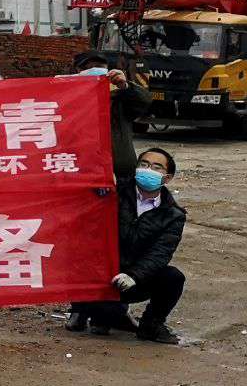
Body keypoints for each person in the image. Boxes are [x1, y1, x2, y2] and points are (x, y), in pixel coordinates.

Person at [64, 48, 152, 333]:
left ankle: (113, 311)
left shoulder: (118, 101)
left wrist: (126, 86)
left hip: (121, 182)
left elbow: (145, 103)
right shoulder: (66, 100)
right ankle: (79, 308)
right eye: (88, 67)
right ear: (76, 72)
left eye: (100, 67)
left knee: (118, 245)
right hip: (81, 184)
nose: (95, 72)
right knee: (83, 248)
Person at [86, 148, 188, 344]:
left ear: (167, 178)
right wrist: (96, 190)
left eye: (156, 167)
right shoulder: (114, 194)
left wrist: (134, 275)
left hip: (135, 279)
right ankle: (85, 311)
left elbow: (160, 253)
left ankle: (151, 325)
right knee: (102, 319)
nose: (148, 170)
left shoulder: (173, 215)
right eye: (144, 164)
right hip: (102, 275)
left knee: (173, 277)